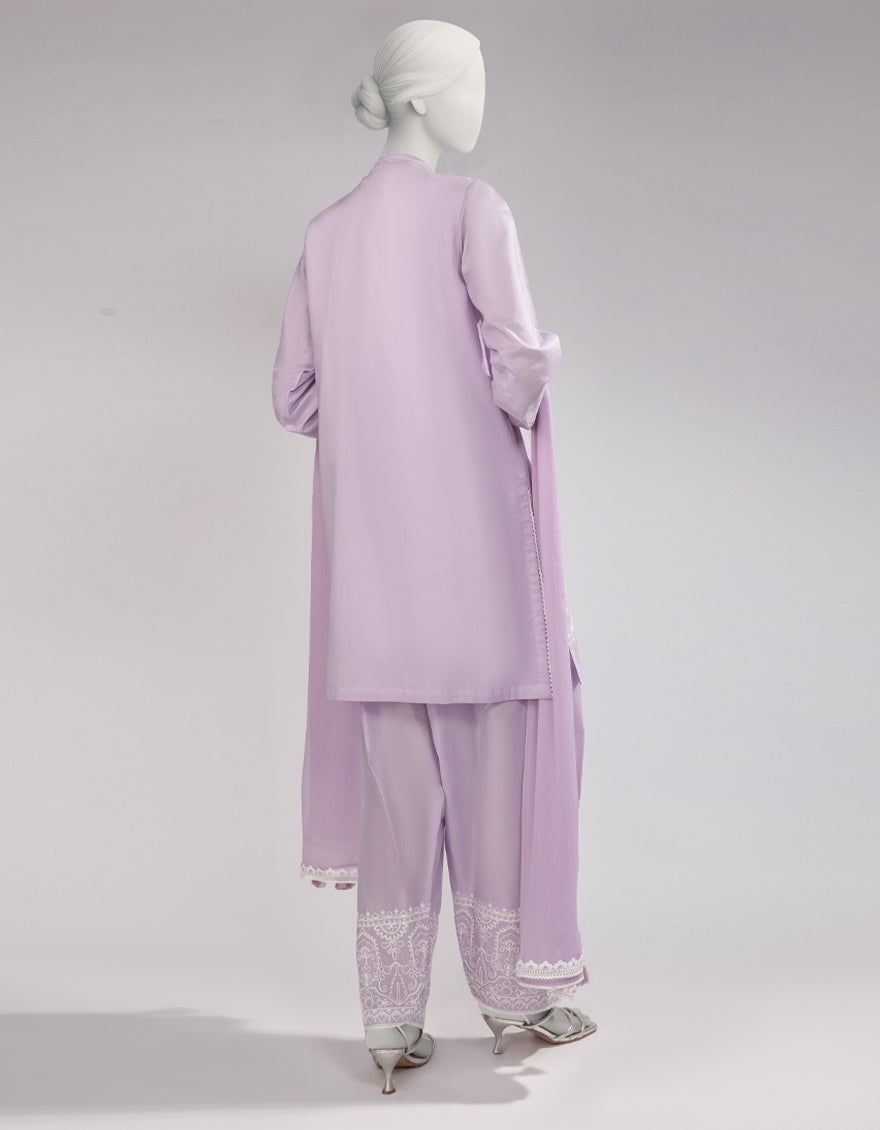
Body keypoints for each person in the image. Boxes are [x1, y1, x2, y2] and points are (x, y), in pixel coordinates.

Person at [272, 19, 596, 1096]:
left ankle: (388, 1024)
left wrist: (380, 413)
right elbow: (518, 368)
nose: (480, 102)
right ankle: (513, 998)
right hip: (475, 561)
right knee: (495, 782)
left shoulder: (326, 233)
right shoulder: (472, 208)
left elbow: (295, 398)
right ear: (421, 96)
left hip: (372, 570)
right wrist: (491, 387)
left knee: (397, 798)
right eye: (472, 81)